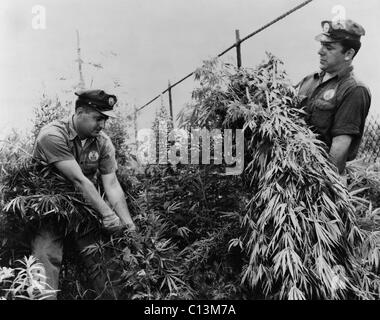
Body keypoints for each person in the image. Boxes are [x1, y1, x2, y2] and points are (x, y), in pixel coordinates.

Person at [32, 89, 136, 299]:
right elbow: (79, 180)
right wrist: (107, 215)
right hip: (49, 210)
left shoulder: (103, 142)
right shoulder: (52, 135)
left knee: (103, 260)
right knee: (44, 258)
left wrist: (128, 226)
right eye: (98, 118)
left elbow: (112, 184)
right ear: (79, 112)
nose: (103, 125)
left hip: (83, 209)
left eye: (105, 119)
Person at [297, 19, 371, 178]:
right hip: (289, 169)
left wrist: (321, 187)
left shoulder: (354, 90)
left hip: (316, 179)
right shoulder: (309, 80)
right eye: (322, 45)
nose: (320, 51)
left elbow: (338, 151)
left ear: (349, 54)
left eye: (328, 47)